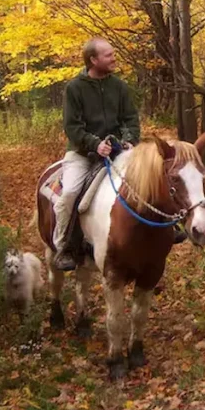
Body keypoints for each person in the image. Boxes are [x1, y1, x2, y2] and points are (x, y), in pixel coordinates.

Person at [52, 37, 140, 270]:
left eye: (113, 53)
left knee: (149, 176)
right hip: (82, 154)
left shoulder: (119, 86)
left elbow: (130, 119)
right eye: (108, 55)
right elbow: (72, 127)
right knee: (70, 193)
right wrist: (94, 144)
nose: (114, 58)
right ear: (93, 60)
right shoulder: (74, 88)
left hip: (118, 151)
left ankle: (167, 229)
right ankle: (64, 247)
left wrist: (129, 140)